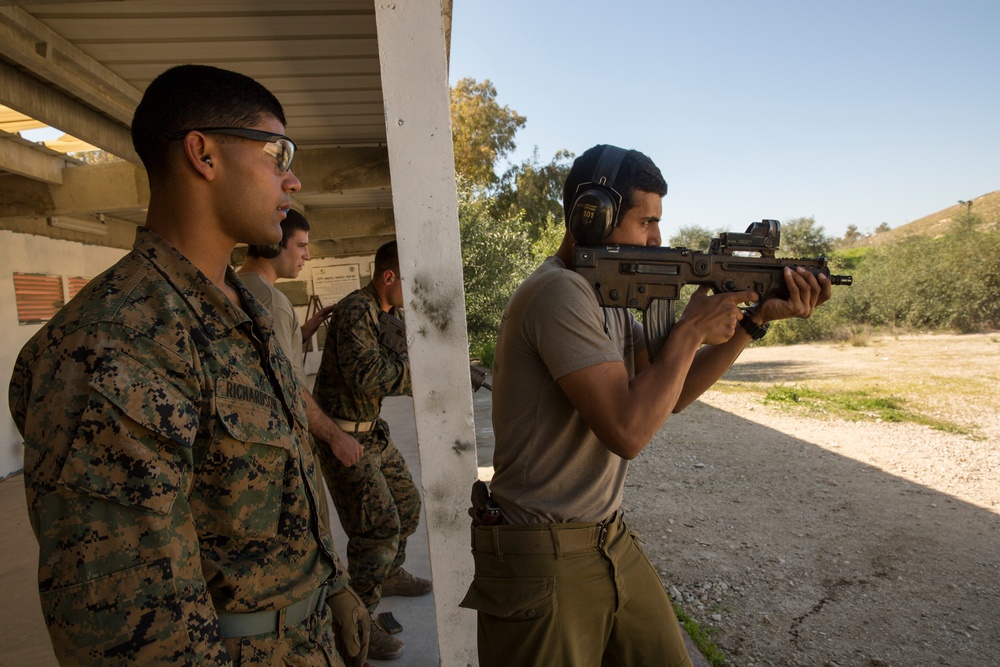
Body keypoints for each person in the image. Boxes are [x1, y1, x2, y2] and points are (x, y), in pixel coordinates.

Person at [8, 64, 369, 666]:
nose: (293, 179)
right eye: (278, 153)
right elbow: (132, 629)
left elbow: (276, 491)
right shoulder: (111, 344)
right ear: (203, 154)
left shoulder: (237, 310)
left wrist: (329, 589)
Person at [460, 144, 832, 666]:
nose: (658, 238)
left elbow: (669, 393)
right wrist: (692, 330)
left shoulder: (604, 296)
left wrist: (751, 323)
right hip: (540, 552)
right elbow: (628, 431)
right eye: (647, 222)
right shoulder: (558, 293)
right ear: (593, 216)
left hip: (606, 537)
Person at [312, 240, 431, 661]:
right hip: (342, 435)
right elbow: (365, 374)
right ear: (388, 277)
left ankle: (390, 572)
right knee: (377, 529)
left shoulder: (388, 314)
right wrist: (417, 376)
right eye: (408, 282)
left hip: (371, 432)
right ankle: (360, 620)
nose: (411, 293)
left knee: (408, 505)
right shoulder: (355, 311)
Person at [237, 210, 365, 472]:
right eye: (301, 246)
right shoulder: (273, 302)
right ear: (272, 244)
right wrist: (336, 437)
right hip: (283, 442)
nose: (307, 255)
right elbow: (288, 385)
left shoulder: (235, 285)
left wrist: (300, 333)